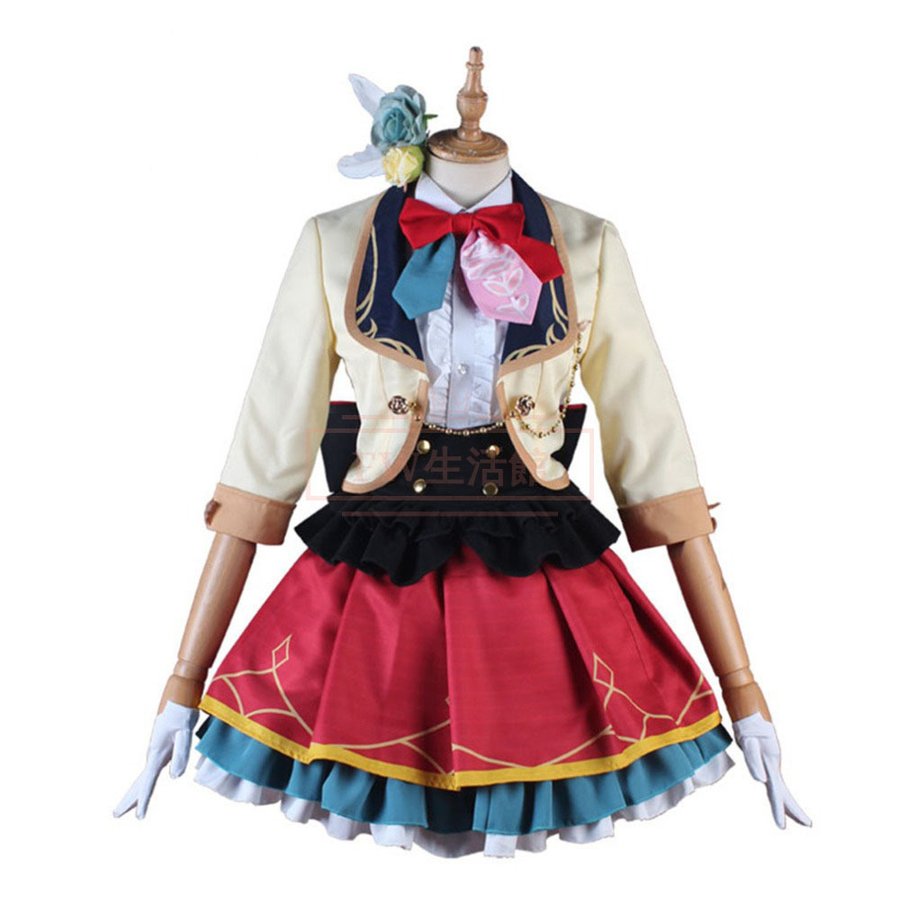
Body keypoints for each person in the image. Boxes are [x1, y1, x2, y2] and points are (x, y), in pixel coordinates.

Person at [115, 50, 810, 858]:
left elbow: (657, 455)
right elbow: (263, 448)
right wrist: (182, 682)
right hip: (376, 562)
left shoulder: (586, 243)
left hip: (541, 555)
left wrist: (745, 691)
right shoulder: (334, 241)